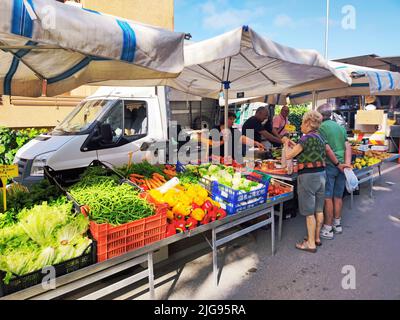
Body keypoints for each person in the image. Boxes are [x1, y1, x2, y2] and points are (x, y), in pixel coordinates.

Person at [285, 111, 327, 253]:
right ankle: (316, 238)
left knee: (309, 212)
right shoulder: (320, 137)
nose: (301, 125)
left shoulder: (305, 138)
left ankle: (310, 244)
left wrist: (286, 143)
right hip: (321, 175)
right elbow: (303, 150)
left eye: (302, 122)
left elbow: (289, 155)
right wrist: (293, 144)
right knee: (319, 209)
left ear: (308, 123)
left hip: (308, 177)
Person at [317, 103, 352, 240]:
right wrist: (346, 164)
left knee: (328, 197)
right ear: (330, 114)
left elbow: (326, 149)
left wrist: (337, 164)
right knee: (338, 196)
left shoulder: (321, 128)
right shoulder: (340, 127)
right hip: (343, 165)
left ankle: (327, 227)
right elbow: (347, 146)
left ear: (320, 116)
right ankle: (337, 224)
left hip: (331, 165)